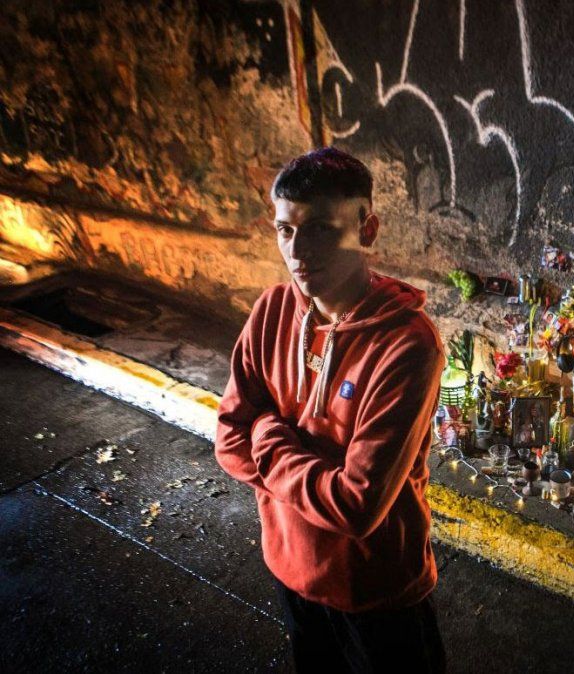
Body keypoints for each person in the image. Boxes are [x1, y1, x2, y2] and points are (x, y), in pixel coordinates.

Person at [214, 147, 447, 673]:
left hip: (377, 591)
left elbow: (357, 507)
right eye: (285, 231)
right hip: (290, 570)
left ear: (367, 230)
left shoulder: (406, 345)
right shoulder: (272, 311)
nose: (298, 252)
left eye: (320, 229)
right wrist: (310, 473)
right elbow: (228, 440)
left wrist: (269, 435)